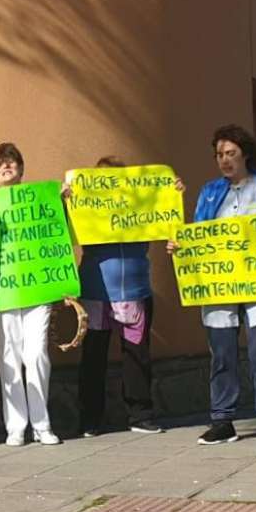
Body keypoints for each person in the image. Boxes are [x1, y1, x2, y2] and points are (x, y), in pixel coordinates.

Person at [169, 124, 256, 447]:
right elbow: (199, 230)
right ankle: (222, 420)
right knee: (222, 352)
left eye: (230, 153)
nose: (224, 160)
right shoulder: (209, 192)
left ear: (245, 154)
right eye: (219, 155)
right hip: (219, 282)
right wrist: (182, 244)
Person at [71, 156, 182, 437]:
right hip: (96, 291)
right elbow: (64, 228)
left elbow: (166, 222)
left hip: (134, 291)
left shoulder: (139, 206)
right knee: (93, 356)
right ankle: (90, 420)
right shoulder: (84, 209)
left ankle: (140, 415)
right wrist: (65, 200)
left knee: (137, 354)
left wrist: (172, 194)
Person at [0, 143, 58, 446]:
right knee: (8, 356)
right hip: (1, 289)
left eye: (12, 162)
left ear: (21, 169)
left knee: (36, 353)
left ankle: (42, 424)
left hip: (37, 287)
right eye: (1, 165)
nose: (7, 167)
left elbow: (56, 235)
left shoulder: (40, 201)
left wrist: (61, 201)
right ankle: (16, 426)